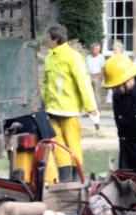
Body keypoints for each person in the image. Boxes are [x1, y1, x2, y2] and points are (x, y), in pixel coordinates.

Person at [41, 25, 99, 181]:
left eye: (48, 38)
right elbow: (46, 84)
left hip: (69, 110)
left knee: (73, 145)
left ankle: (77, 179)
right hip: (52, 110)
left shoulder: (73, 56)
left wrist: (91, 107)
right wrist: (42, 106)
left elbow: (83, 81)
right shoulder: (49, 58)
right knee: (58, 147)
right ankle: (65, 180)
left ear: (56, 39)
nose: (46, 41)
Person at [86, 42, 105, 109]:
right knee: (89, 94)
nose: (97, 50)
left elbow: (103, 69)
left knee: (97, 94)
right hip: (89, 76)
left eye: (98, 49)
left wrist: (98, 76)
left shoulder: (101, 57)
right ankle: (90, 109)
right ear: (92, 49)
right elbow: (85, 67)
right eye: (95, 49)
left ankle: (98, 110)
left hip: (97, 77)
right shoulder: (88, 57)